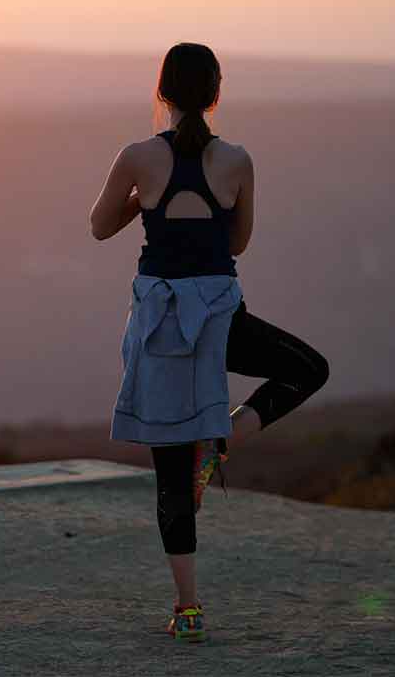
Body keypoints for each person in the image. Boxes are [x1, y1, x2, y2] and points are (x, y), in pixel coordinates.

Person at [89, 42, 330, 643]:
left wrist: (146, 201)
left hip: (160, 328)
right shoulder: (238, 160)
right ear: (217, 93)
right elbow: (238, 244)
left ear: (162, 92)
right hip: (220, 320)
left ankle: (189, 610)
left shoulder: (137, 156)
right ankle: (225, 438)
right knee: (307, 369)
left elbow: (98, 226)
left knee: (170, 473)